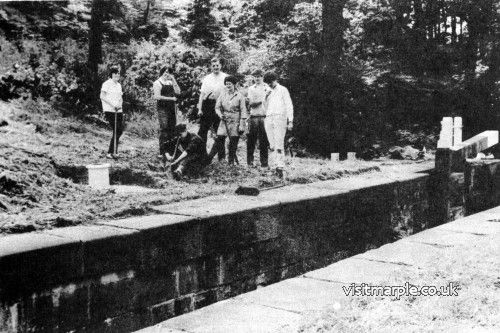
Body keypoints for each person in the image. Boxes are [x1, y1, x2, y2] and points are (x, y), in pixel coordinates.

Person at [208, 75, 247, 165]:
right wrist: (220, 115)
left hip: (235, 120)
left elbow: (243, 111)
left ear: (234, 84)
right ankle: (217, 159)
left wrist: (241, 125)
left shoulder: (240, 96)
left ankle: (231, 161)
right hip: (224, 119)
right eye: (226, 84)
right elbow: (217, 107)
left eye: (229, 84)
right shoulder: (223, 95)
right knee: (219, 139)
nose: (228, 86)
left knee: (233, 141)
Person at [263, 72, 294, 178]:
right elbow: (264, 108)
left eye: (270, 82)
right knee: (271, 144)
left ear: (275, 80)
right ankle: (274, 165)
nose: (269, 85)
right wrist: (266, 97)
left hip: (280, 118)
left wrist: (290, 121)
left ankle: (280, 166)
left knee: (279, 143)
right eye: (267, 83)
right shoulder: (267, 91)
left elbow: (289, 105)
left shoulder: (283, 90)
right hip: (269, 118)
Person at [197, 58, 227, 149]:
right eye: (213, 66)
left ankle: (221, 156)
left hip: (220, 105)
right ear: (211, 67)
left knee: (220, 130)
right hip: (208, 105)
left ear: (221, 66)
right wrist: (200, 109)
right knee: (203, 130)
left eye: (217, 65)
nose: (215, 67)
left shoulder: (225, 77)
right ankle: (202, 154)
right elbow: (202, 95)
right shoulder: (207, 78)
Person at [153, 66, 181, 159]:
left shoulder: (170, 82)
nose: (166, 73)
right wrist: (171, 98)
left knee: (172, 128)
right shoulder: (157, 83)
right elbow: (157, 96)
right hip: (162, 109)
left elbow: (178, 92)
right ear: (161, 72)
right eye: (165, 72)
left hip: (171, 108)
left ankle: (170, 151)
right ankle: (162, 152)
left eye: (168, 72)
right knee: (164, 129)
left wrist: (173, 79)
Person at [246, 70, 269, 168]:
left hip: (265, 117)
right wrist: (261, 100)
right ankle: (250, 162)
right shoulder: (251, 88)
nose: (257, 78)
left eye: (259, 76)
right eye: (255, 77)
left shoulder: (267, 88)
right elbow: (251, 104)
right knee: (251, 140)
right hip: (254, 117)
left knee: (264, 141)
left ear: (262, 77)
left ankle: (264, 163)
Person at [100, 66, 124, 159]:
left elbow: (120, 97)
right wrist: (113, 105)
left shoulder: (119, 85)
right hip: (109, 109)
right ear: (111, 74)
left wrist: (119, 105)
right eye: (115, 73)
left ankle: (114, 151)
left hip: (118, 110)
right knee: (117, 129)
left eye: (118, 73)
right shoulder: (106, 83)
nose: (117, 75)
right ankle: (110, 152)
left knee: (119, 130)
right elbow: (102, 96)